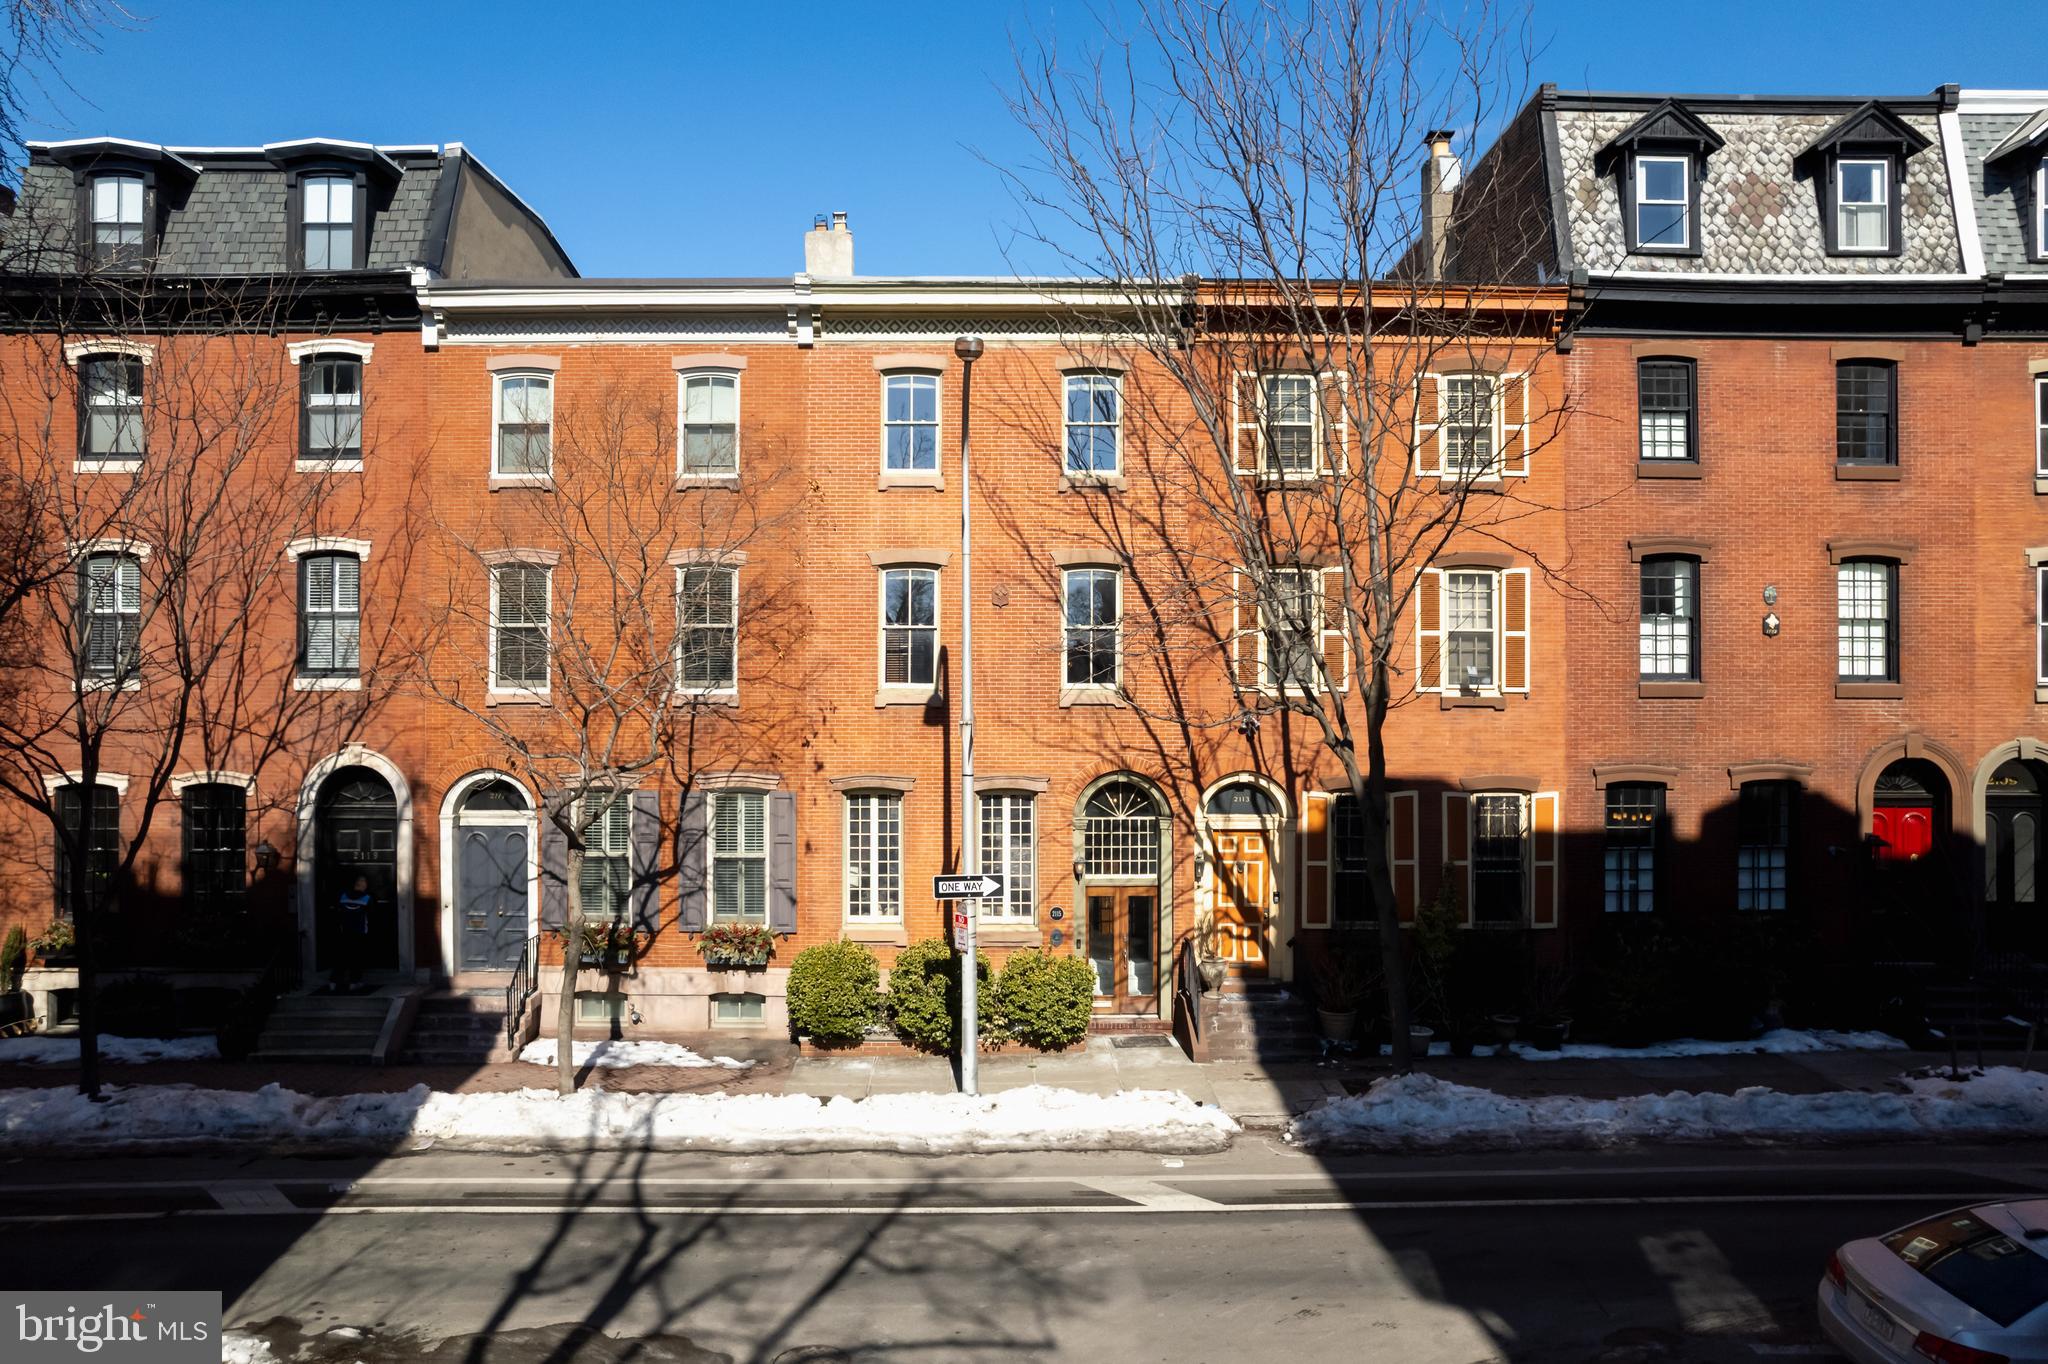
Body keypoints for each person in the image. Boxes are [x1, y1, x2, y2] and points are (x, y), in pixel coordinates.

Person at [335, 874, 372, 994]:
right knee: (357, 957)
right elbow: (372, 914)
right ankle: (354, 982)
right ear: (361, 884)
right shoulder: (367, 898)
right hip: (359, 931)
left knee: (342, 956)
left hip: (345, 931)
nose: (365, 884)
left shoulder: (343, 896)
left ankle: (335, 981)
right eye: (364, 882)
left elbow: (338, 912)